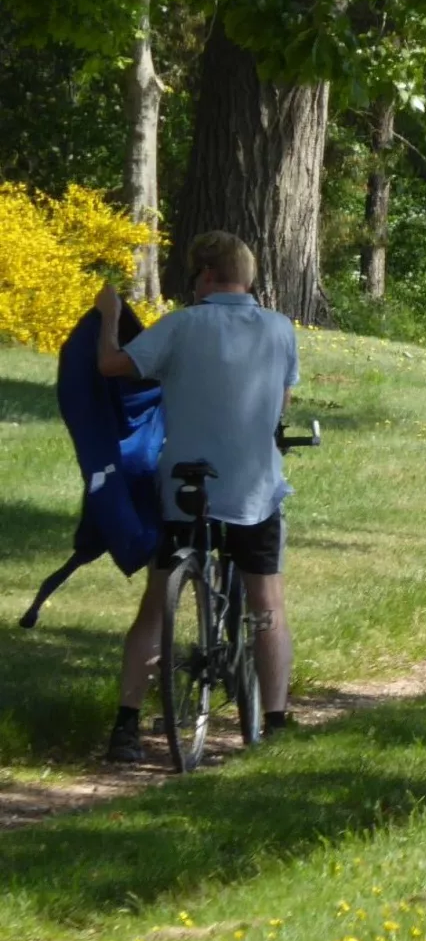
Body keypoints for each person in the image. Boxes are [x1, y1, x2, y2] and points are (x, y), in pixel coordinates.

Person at [94, 231, 300, 763]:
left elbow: (111, 366)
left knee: (156, 604)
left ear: (205, 275)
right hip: (254, 487)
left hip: (186, 487)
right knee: (267, 602)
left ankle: (126, 726)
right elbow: (281, 403)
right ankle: (277, 721)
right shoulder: (280, 329)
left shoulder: (181, 326)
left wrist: (109, 316)